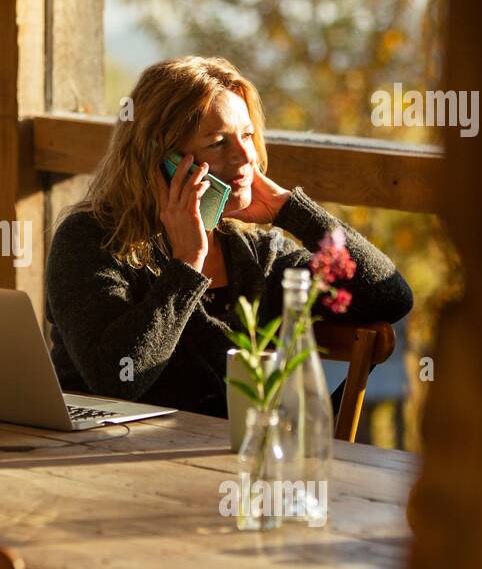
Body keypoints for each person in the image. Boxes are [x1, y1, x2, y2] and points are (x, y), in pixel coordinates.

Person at [45, 56, 413, 416]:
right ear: (161, 159)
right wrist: (187, 265)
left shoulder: (257, 255)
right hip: (102, 461)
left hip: (226, 467)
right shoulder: (90, 240)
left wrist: (292, 210)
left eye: (248, 136)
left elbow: (390, 298)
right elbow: (117, 379)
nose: (245, 156)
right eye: (219, 142)